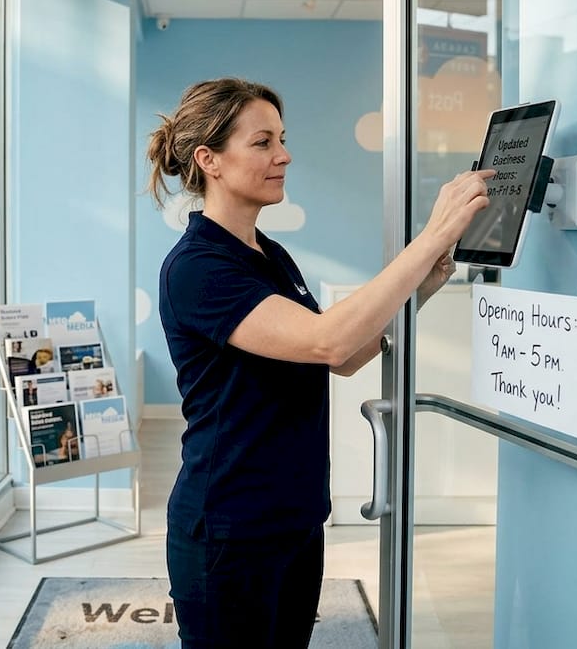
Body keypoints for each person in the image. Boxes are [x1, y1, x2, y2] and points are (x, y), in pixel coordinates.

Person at [147, 78, 494, 647]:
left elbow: (345, 356)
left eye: (282, 139)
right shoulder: (197, 268)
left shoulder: (268, 254)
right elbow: (327, 341)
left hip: (296, 518)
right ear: (209, 159)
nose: (283, 155)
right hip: (231, 528)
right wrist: (431, 235)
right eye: (262, 143)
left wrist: (422, 291)